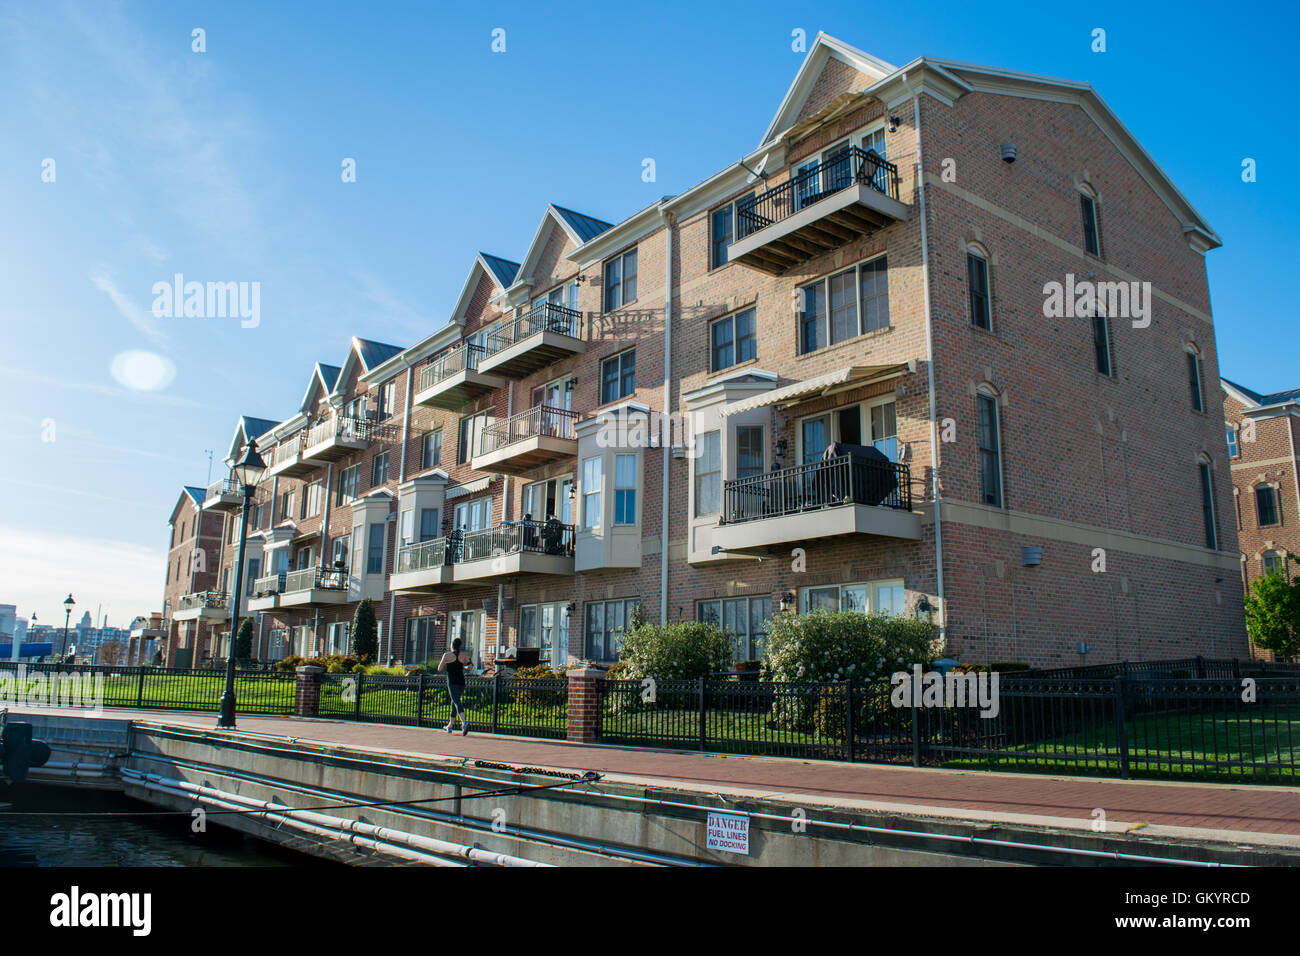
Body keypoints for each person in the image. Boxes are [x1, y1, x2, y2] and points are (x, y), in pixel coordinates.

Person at [437, 637, 471, 735]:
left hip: (452, 682)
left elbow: (439, 668)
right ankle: (450, 725)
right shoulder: (463, 656)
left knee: (456, 701)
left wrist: (446, 664)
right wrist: (465, 666)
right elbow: (470, 665)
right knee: (454, 702)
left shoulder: (447, 655)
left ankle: (464, 722)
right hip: (461, 682)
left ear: (452, 645)